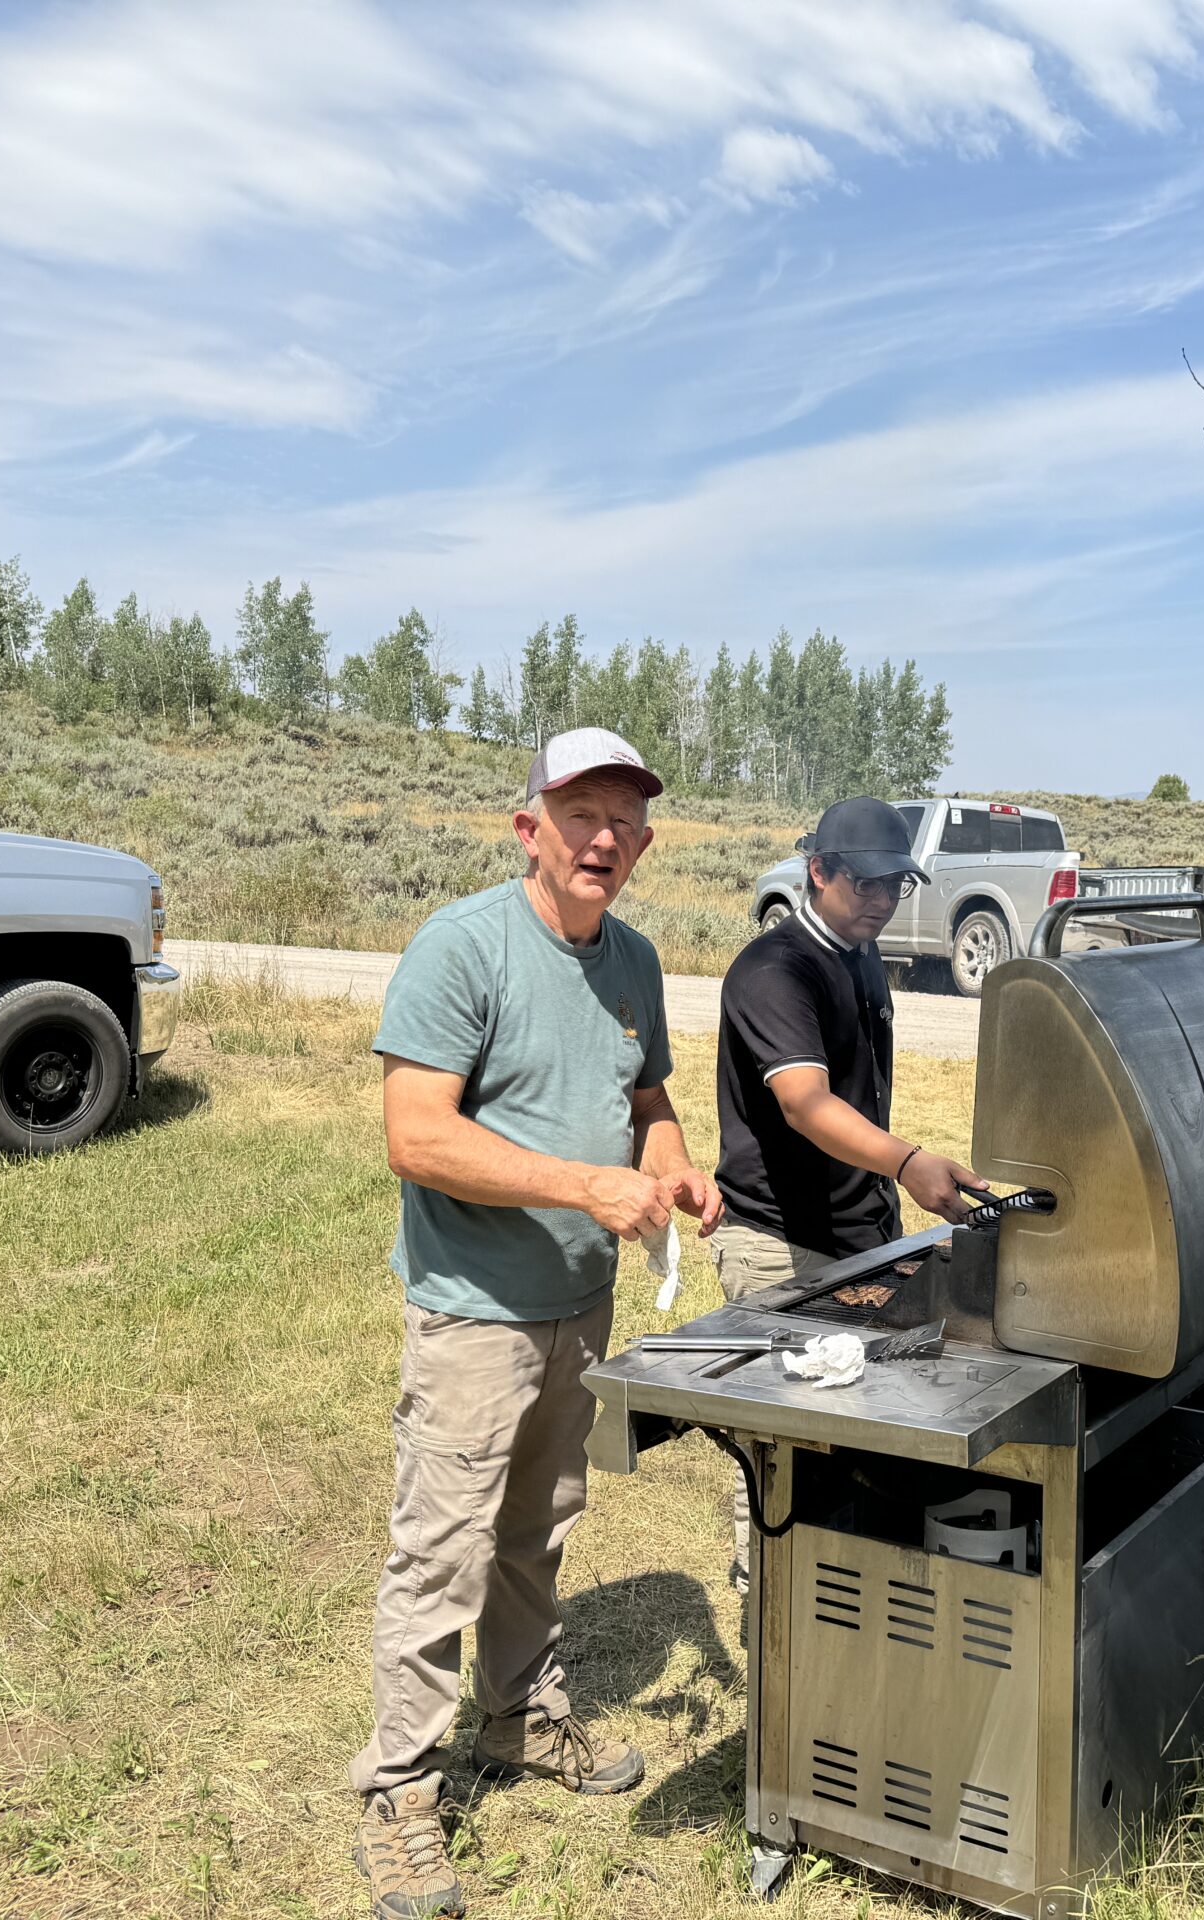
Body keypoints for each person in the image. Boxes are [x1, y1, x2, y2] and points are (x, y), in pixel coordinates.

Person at [349, 726, 721, 1920]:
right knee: (441, 1548)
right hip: (475, 1315)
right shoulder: (463, 948)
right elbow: (417, 1137)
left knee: (538, 1527)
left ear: (646, 845)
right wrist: (584, 1184)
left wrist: (670, 1168)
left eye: (622, 821)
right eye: (579, 815)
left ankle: (517, 1721)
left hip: (581, 1307)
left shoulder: (636, 962)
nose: (602, 837)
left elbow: (646, 1100)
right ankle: (398, 1795)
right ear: (530, 831)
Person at [709, 795, 987, 1589]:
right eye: (862, 883)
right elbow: (805, 1102)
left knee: (859, 1425)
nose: (878, 899)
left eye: (893, 885)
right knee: (782, 1437)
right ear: (816, 871)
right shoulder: (774, 968)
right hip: (778, 1241)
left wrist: (890, 1190)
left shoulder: (862, 956)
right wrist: (908, 1162)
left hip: (859, 1234)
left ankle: (836, 1587)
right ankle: (761, 1595)